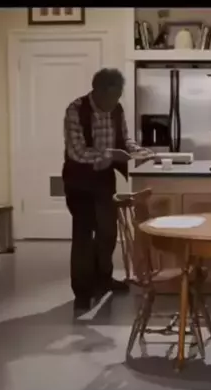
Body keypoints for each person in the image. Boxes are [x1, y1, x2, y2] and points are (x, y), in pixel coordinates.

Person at [62, 68, 150, 313]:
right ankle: (82, 292)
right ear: (98, 91)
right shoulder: (76, 110)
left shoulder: (117, 110)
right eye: (112, 97)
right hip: (79, 181)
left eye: (118, 96)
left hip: (103, 179)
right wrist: (110, 155)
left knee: (108, 232)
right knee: (83, 235)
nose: (115, 102)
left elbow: (124, 139)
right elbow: (77, 152)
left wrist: (139, 151)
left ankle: (104, 279)